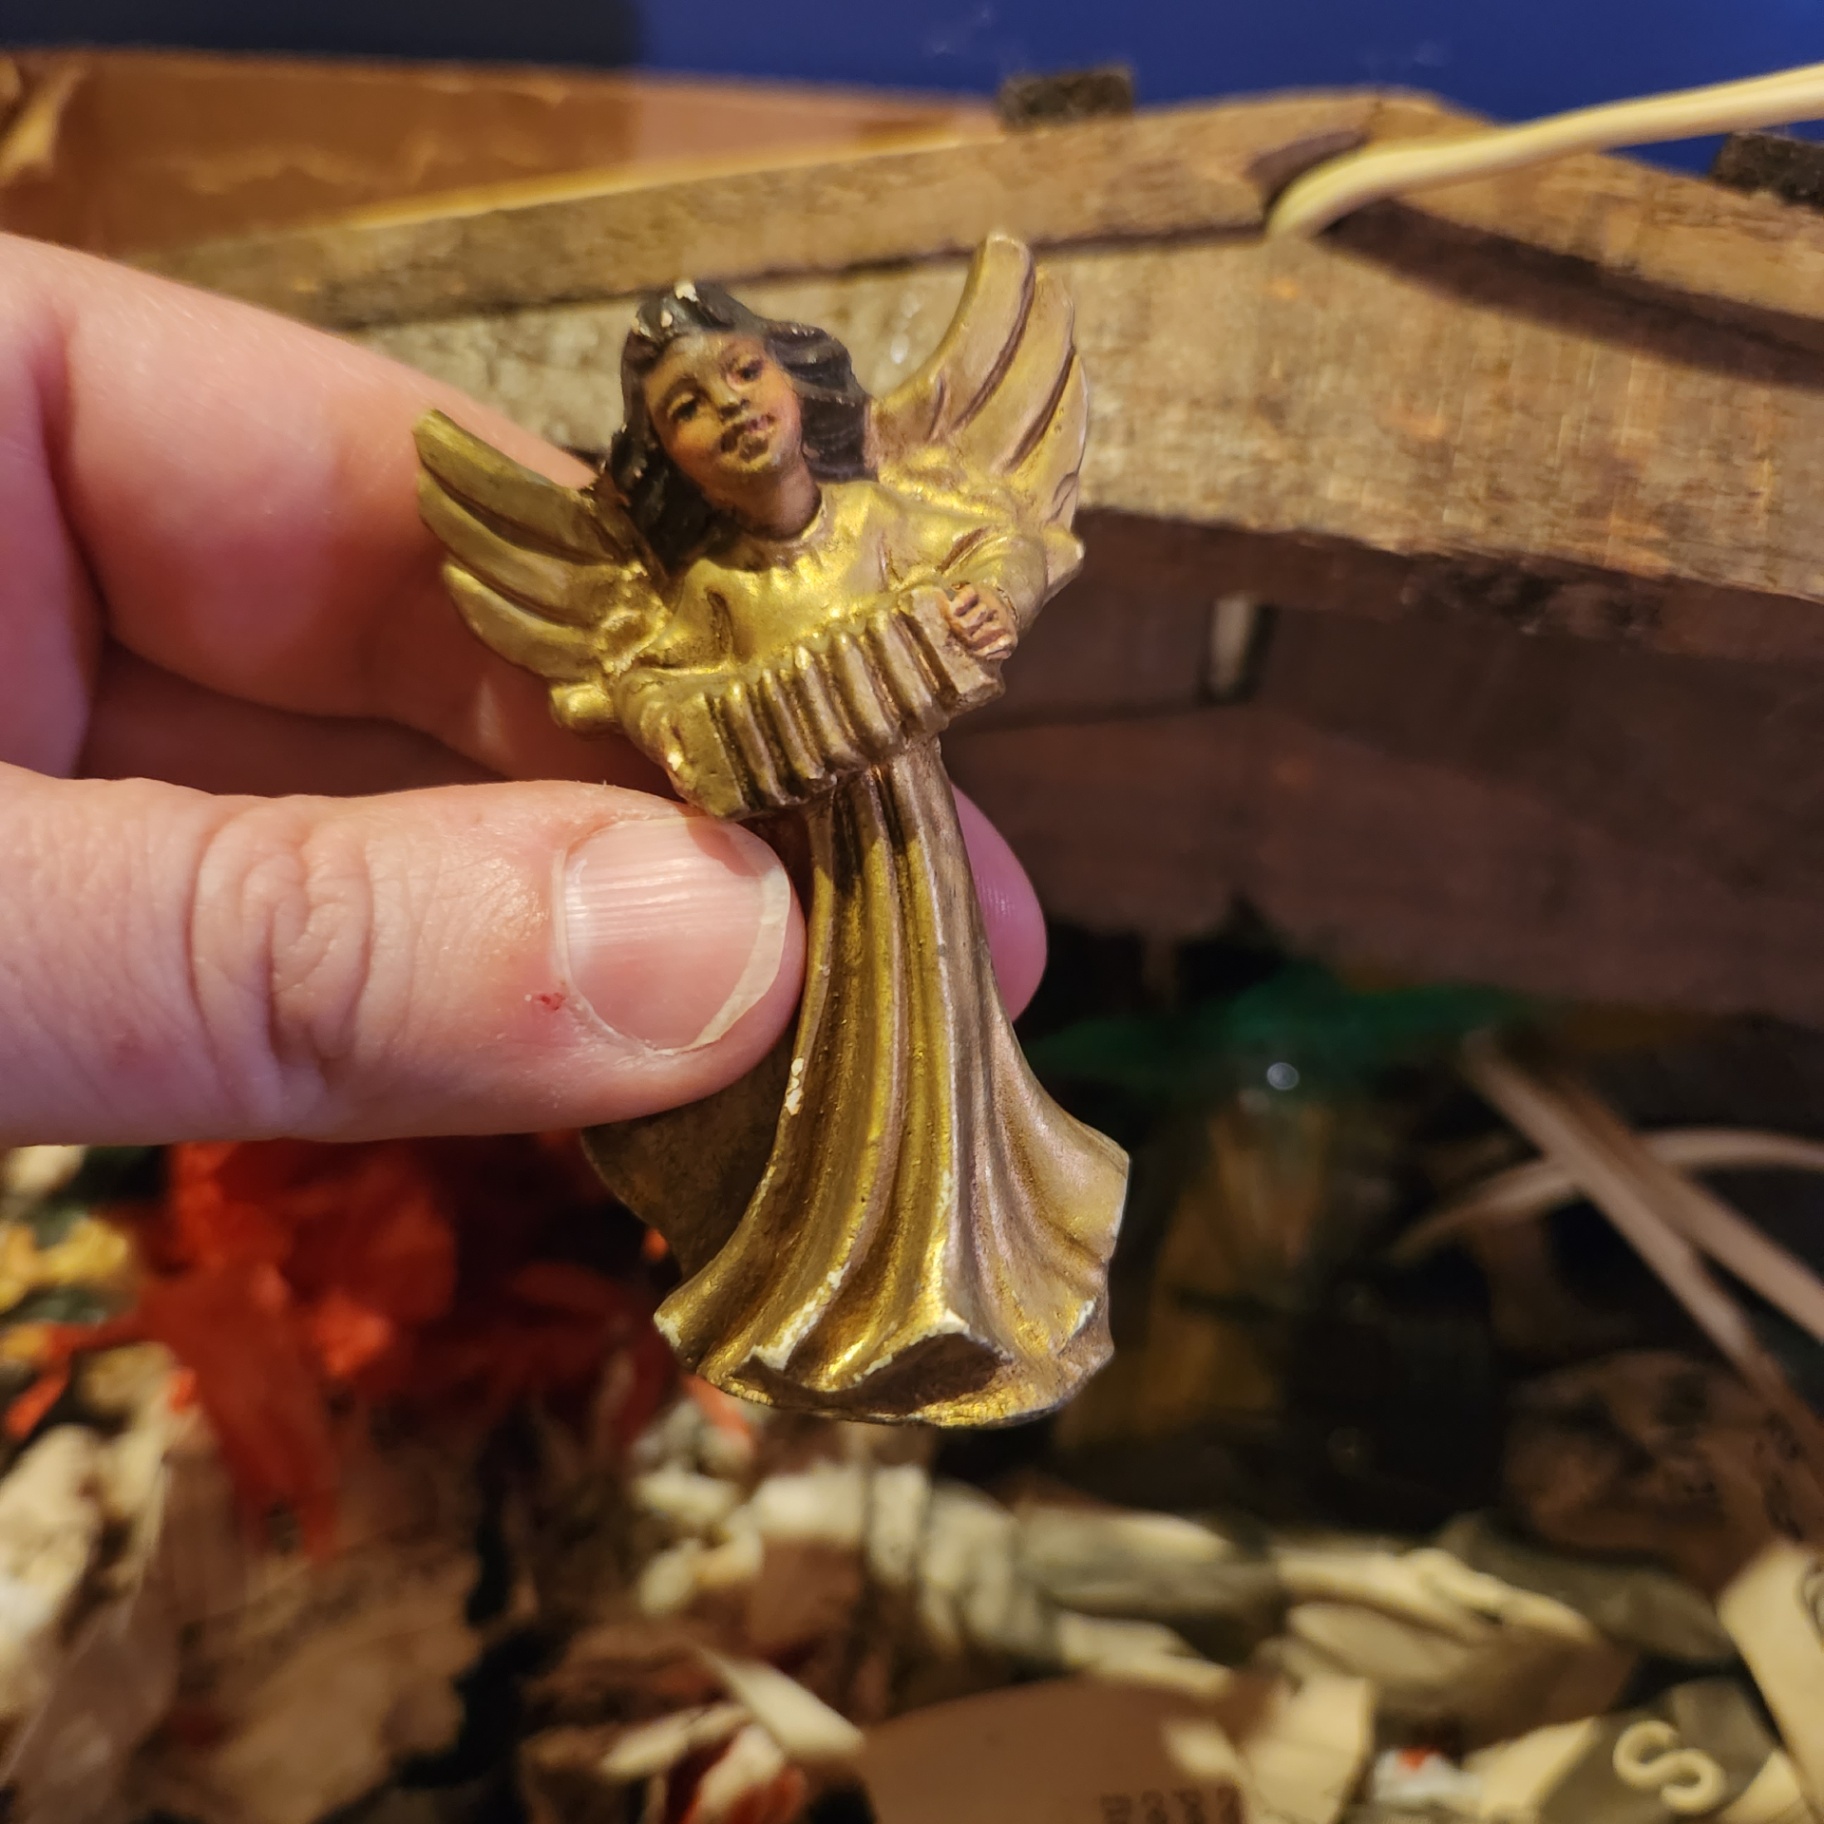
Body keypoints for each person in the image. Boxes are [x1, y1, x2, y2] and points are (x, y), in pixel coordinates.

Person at [0, 233, 1047, 1147]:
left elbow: (997, 544)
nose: (731, 407)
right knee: (853, 1059)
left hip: (919, 839)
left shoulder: (880, 521)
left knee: (952, 1027)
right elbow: (653, 688)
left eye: (742, 371)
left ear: (797, 378)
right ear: (666, 460)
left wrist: (991, 599)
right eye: (689, 407)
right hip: (815, 869)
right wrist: (698, 723)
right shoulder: (710, 591)